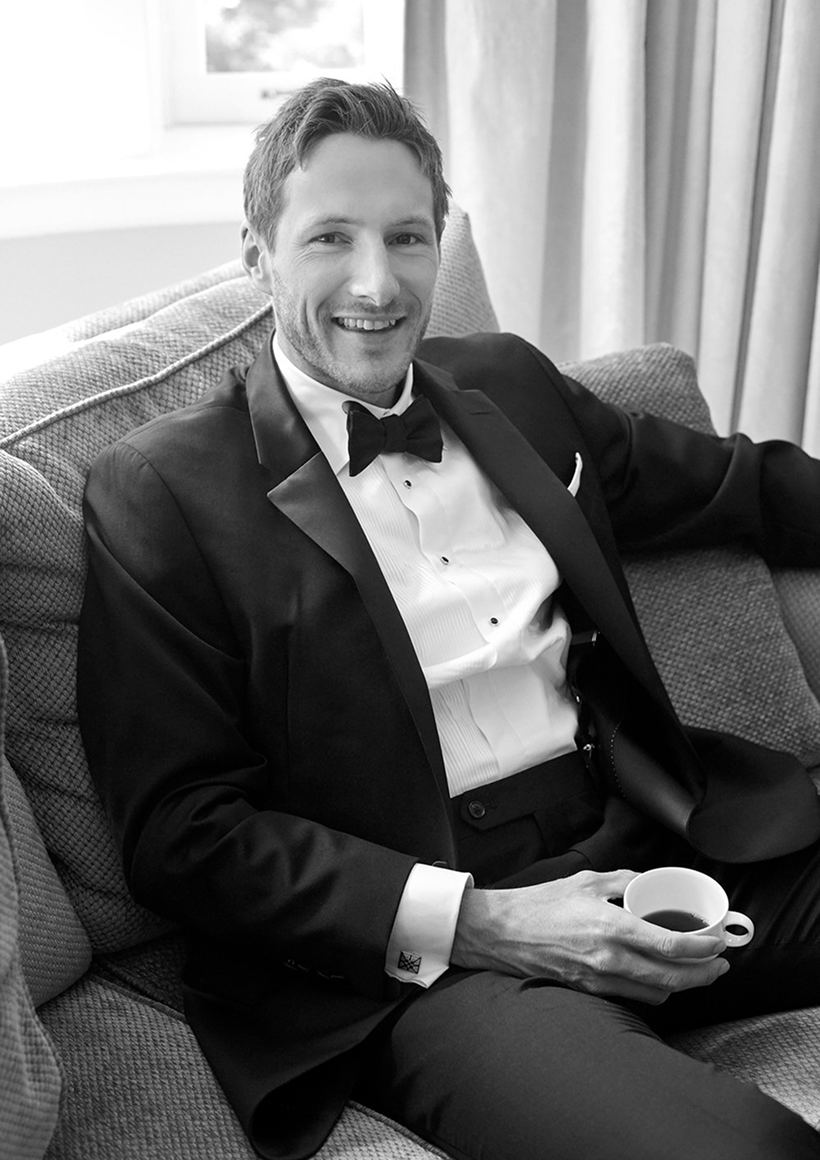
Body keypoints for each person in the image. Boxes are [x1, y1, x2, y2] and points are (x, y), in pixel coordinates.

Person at [77, 77, 820, 1160]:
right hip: (436, 960)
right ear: (258, 255)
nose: (376, 284)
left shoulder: (511, 386)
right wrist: (491, 920)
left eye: (406, 237)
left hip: (652, 845)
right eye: (329, 237)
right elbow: (181, 832)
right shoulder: (158, 490)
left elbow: (731, 486)